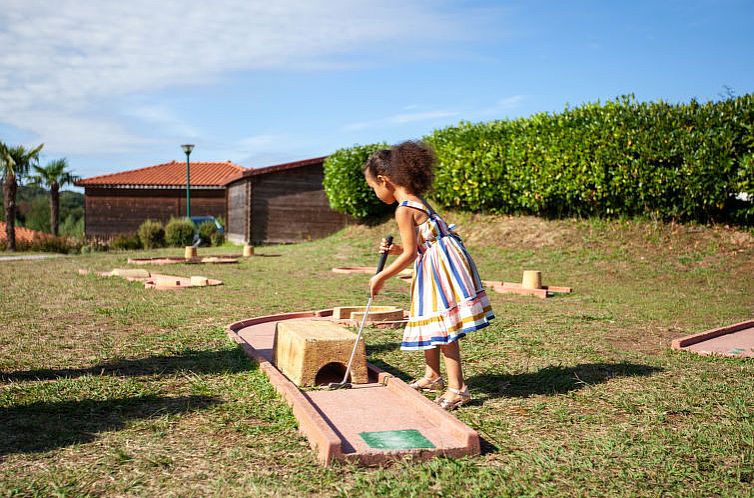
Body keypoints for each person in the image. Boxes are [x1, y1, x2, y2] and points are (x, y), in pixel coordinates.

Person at [364, 141, 495, 410]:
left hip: (439, 268)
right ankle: (433, 375)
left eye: (372, 187)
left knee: (444, 325)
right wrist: (396, 250)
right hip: (440, 262)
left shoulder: (403, 209)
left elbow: (412, 254)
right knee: (430, 318)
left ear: (383, 180)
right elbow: (424, 242)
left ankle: (457, 388)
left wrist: (381, 277)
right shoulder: (417, 201)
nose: (374, 193)